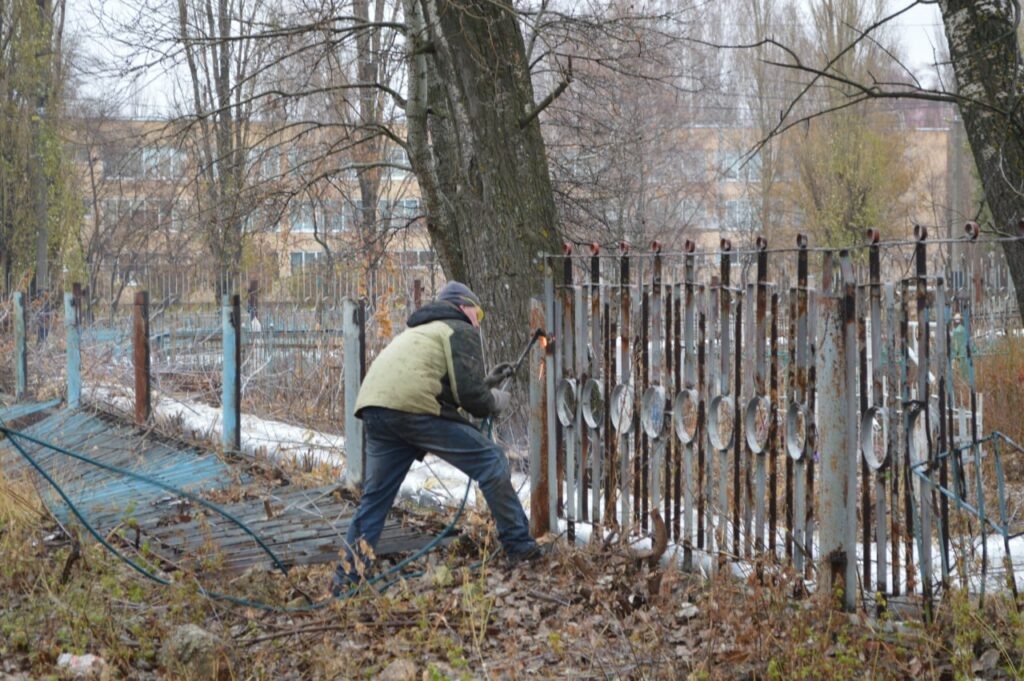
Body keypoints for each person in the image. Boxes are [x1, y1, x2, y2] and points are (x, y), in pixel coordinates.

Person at [333, 281, 545, 595]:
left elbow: (443, 384)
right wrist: (496, 400)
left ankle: (345, 583)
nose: (478, 320)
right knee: (491, 460)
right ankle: (519, 545)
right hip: (411, 408)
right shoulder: (457, 327)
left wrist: (486, 382)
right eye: (478, 312)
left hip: (375, 408)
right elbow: (470, 398)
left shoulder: (419, 332)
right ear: (463, 306)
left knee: (375, 499)